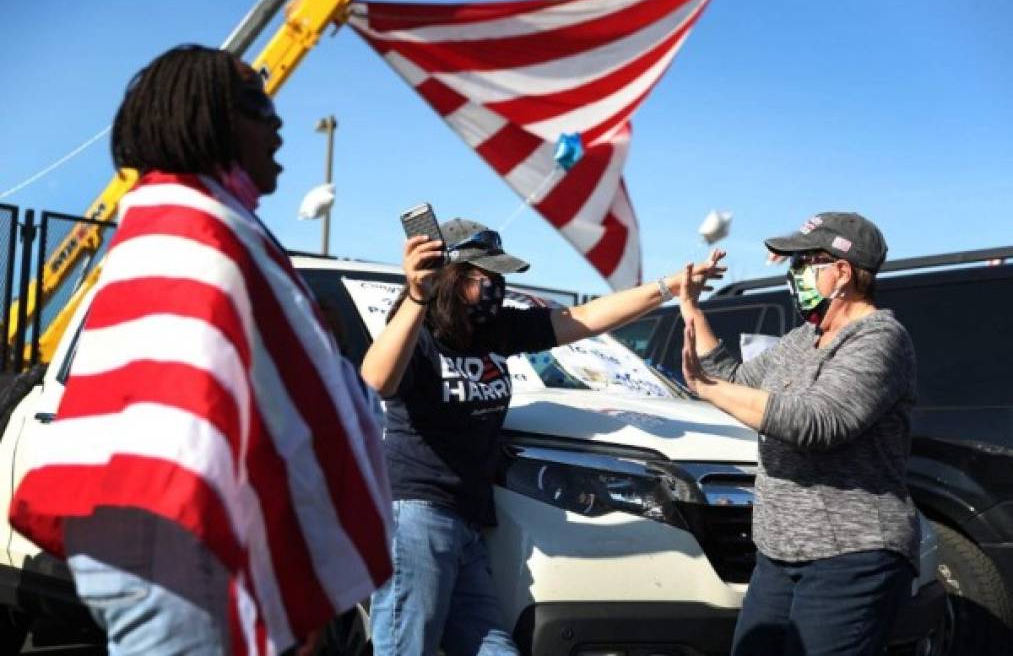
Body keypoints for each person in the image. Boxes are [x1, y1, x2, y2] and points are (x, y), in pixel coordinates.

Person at [9, 45, 392, 655]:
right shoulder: (204, 233)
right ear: (210, 116)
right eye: (259, 102)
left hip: (166, 550)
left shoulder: (169, 224)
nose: (279, 121)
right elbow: (268, 421)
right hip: (184, 557)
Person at [360, 218, 725, 656]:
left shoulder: (495, 329)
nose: (497, 287)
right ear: (450, 276)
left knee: (494, 649)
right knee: (405, 648)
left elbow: (585, 318)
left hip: (469, 519)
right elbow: (377, 380)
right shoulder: (416, 330)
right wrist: (417, 294)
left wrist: (669, 287)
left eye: (500, 278)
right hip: (417, 513)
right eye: (485, 277)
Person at [679, 212, 919, 655]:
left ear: (842, 272)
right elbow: (733, 380)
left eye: (803, 262)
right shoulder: (802, 339)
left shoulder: (880, 338)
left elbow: (817, 422)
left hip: (851, 555)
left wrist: (708, 388)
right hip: (778, 553)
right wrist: (692, 309)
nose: (793, 275)